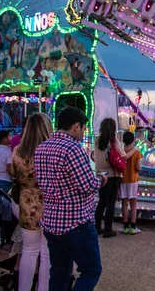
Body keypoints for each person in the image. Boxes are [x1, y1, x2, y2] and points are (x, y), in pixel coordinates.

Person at [34, 107, 108, 291]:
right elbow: (87, 186)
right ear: (76, 126)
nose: (84, 133)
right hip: (76, 222)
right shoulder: (73, 149)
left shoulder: (42, 148)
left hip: (51, 221)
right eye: (83, 128)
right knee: (91, 270)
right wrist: (100, 179)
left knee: (59, 273)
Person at [11, 113, 53, 291]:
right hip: (49, 206)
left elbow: (15, 174)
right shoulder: (51, 151)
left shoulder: (18, 151)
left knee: (28, 251)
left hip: (26, 205)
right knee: (46, 253)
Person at [94, 118, 135, 238]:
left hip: (101, 175)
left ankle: (97, 227)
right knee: (111, 203)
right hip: (113, 176)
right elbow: (124, 157)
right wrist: (134, 149)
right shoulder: (114, 141)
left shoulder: (97, 140)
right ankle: (108, 229)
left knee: (101, 202)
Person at [119, 131, 142, 235]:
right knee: (133, 203)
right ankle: (133, 227)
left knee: (124, 203)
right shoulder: (136, 152)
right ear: (133, 140)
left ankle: (125, 226)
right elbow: (138, 167)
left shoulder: (121, 151)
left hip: (123, 180)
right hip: (133, 180)